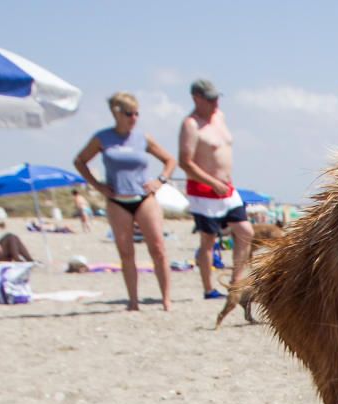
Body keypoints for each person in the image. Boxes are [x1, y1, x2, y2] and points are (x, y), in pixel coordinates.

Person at [73, 92, 177, 311]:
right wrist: (98, 186)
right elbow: (80, 161)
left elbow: (169, 160)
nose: (134, 118)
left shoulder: (143, 138)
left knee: (158, 248)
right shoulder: (102, 138)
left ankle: (166, 299)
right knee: (126, 252)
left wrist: (160, 181)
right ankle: (133, 301)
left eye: (137, 113)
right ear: (116, 113)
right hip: (117, 199)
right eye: (129, 113)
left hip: (144, 198)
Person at [179, 78, 253, 300]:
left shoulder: (219, 117)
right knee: (208, 241)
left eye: (216, 98)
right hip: (204, 190)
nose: (215, 103)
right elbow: (185, 162)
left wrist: (223, 183)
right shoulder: (191, 125)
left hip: (227, 189)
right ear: (197, 98)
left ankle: (235, 283)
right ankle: (208, 288)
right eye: (210, 99)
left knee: (246, 232)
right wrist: (213, 183)